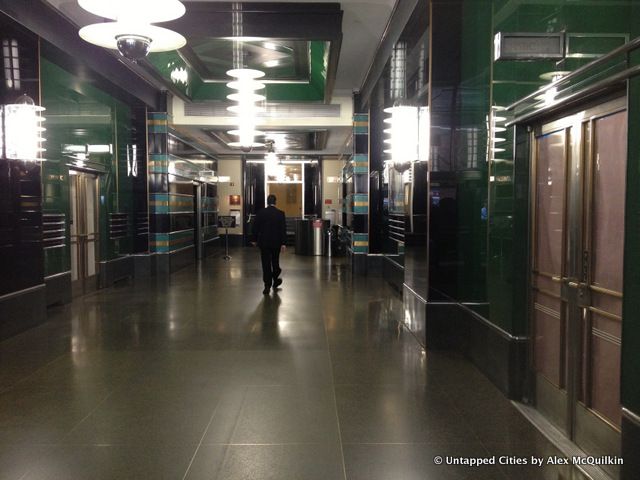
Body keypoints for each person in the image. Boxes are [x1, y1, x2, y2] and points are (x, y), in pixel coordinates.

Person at [252, 194, 287, 294]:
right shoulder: (280, 214)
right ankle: (276, 279)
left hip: (264, 242)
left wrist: (254, 239)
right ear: (275, 202)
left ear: (267, 202)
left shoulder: (261, 213)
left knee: (266, 264)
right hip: (276, 243)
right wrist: (283, 243)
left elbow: (255, 227)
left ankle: (267, 285)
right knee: (275, 262)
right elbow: (283, 229)